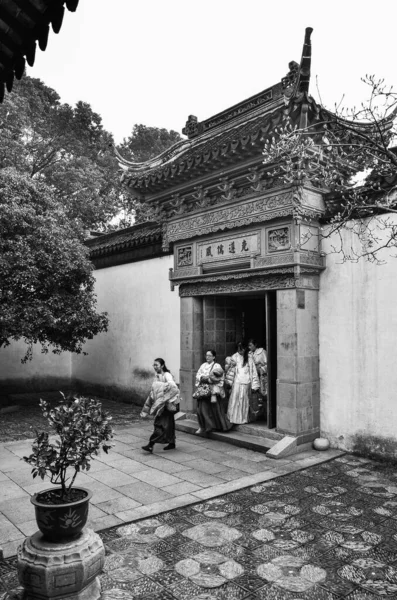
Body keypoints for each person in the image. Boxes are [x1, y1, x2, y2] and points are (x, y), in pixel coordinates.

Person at [140, 358, 179, 453]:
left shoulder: (167, 375)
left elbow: (173, 387)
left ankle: (151, 444)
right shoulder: (157, 376)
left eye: (156, 365)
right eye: (154, 365)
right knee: (168, 424)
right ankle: (171, 443)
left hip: (166, 404)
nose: (154, 367)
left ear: (162, 365)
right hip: (161, 405)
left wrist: (162, 392)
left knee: (159, 424)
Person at [195, 349, 232, 434]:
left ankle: (214, 426)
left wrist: (209, 379)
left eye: (209, 355)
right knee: (200, 410)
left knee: (213, 410)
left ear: (214, 357)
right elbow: (198, 375)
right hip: (203, 390)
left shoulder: (217, 366)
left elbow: (219, 377)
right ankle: (202, 427)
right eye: (206, 355)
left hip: (212, 391)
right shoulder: (203, 365)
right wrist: (202, 378)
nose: (207, 357)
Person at [226, 342, 260, 425]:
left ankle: (243, 418)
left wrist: (255, 384)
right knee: (236, 400)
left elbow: (253, 371)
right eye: (239, 349)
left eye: (241, 349)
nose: (240, 351)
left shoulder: (249, 358)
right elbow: (229, 369)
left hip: (247, 382)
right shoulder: (234, 357)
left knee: (245, 401)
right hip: (237, 381)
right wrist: (231, 365)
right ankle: (234, 418)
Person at [248, 338, 268, 421]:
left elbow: (268, 364)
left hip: (262, 376)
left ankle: (266, 415)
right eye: (248, 345)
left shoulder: (262, 352)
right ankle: (257, 415)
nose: (249, 347)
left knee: (264, 395)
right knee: (255, 396)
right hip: (253, 377)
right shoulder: (249, 354)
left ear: (255, 345)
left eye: (251, 345)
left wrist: (261, 369)